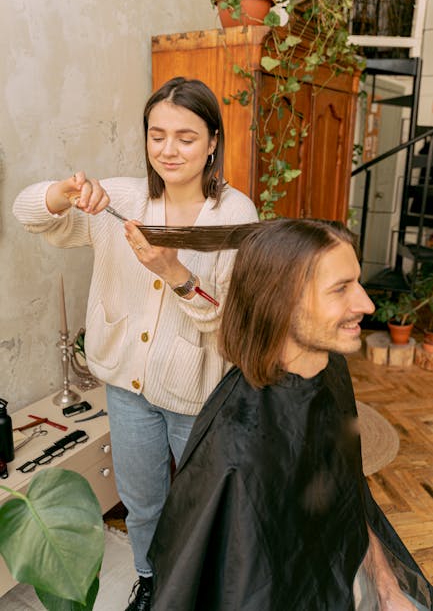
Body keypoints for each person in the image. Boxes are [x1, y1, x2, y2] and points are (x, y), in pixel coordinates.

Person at [12, 76, 259, 611]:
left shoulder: (236, 215)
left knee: (204, 508)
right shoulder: (120, 198)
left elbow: (234, 325)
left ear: (214, 141)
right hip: (125, 388)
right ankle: (150, 580)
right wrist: (64, 193)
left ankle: (202, 589)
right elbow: (28, 213)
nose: (168, 150)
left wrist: (176, 275)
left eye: (186, 137)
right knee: (143, 503)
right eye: (157, 134)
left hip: (198, 394)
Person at [147, 218, 433, 611]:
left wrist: (385, 586)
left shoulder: (331, 371)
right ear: (281, 300)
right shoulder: (237, 447)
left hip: (347, 575)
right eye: (340, 289)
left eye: (357, 282)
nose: (367, 305)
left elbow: (349, 491)